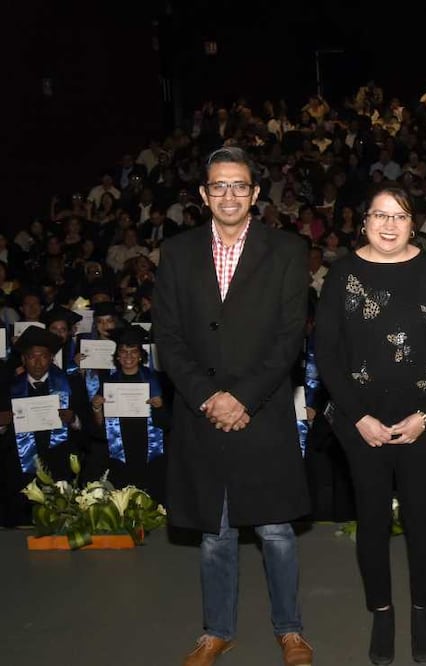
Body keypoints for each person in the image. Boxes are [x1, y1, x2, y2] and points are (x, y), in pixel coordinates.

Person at [154, 146, 313, 666]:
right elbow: (168, 339)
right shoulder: (176, 253)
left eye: (238, 185)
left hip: (260, 412)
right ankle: (216, 631)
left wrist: (241, 397)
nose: (228, 194)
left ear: (255, 194)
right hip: (202, 415)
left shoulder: (288, 250)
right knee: (215, 533)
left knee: (276, 531)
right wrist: (207, 397)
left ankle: (290, 629)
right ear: (203, 195)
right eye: (218, 185)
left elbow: (290, 338)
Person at [314, 182, 426, 665]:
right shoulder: (341, 275)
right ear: (364, 222)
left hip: (424, 420)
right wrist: (359, 418)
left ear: (413, 223)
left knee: (420, 516)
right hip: (362, 424)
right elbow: (327, 354)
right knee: (372, 519)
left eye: (399, 216)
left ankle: (422, 610)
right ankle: (382, 611)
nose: (390, 224)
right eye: (380, 215)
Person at [0, 327, 94, 527]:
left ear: (51, 358)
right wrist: (2, 424)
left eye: (43, 356)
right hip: (21, 472)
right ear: (23, 360)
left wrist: (73, 418)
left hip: (60, 466)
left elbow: (89, 426)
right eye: (31, 357)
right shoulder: (8, 387)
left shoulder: (70, 385)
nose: (37, 362)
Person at [88, 325, 169, 504]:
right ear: (117, 356)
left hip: (149, 444)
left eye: (133, 352)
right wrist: (96, 408)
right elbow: (101, 425)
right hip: (121, 445)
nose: (128, 357)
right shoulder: (109, 382)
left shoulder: (157, 380)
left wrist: (160, 406)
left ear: (141, 355)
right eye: (123, 352)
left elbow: (167, 422)